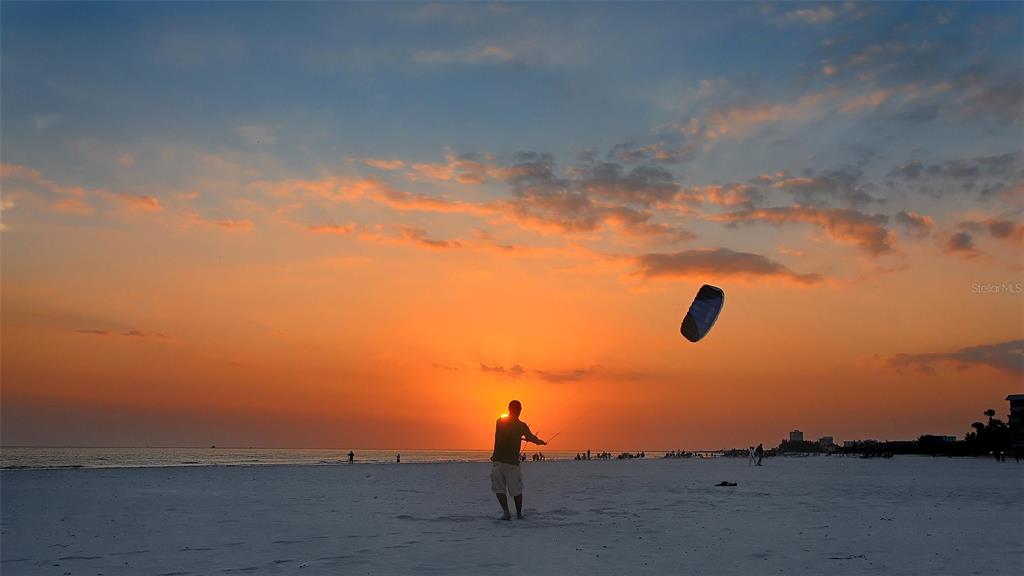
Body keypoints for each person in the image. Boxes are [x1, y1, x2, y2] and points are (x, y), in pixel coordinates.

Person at [491, 400, 546, 521]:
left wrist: (519, 436)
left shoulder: (499, 422)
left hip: (498, 460)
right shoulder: (521, 426)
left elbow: (506, 433)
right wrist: (539, 442)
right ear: (519, 410)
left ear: (509, 409)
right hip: (511, 463)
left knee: (499, 488)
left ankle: (506, 513)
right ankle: (519, 514)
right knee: (516, 489)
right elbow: (530, 437)